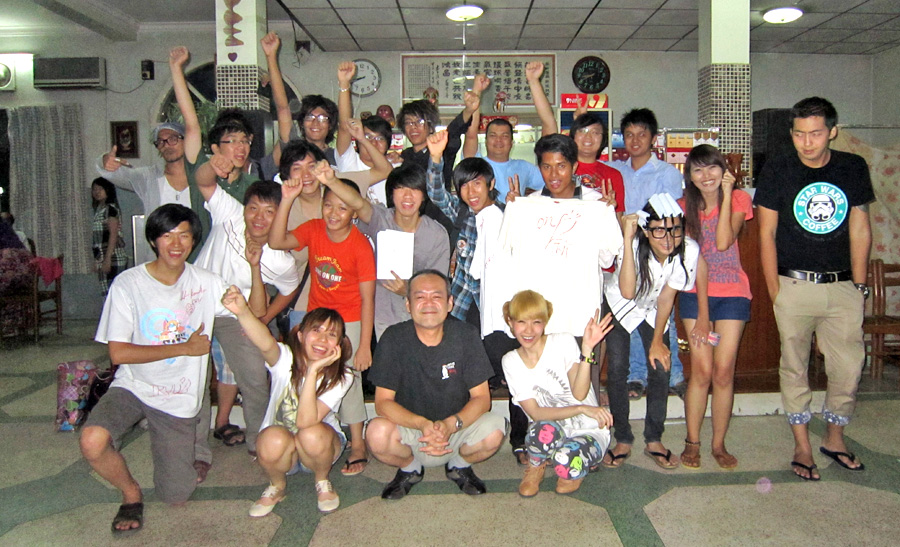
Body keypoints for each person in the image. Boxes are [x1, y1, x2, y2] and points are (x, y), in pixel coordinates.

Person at [80, 204, 229, 536]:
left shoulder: (207, 282)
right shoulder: (128, 284)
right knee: (92, 440)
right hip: (134, 386)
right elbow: (119, 353)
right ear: (152, 240)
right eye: (167, 235)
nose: (176, 244)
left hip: (177, 399)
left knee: (176, 495)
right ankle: (130, 493)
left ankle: (180, 451)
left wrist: (255, 264)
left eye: (184, 235)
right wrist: (184, 348)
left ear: (194, 240)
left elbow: (252, 310)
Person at [754, 96, 873, 481]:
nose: (807, 142)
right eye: (799, 134)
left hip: (843, 286)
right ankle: (802, 445)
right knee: (794, 367)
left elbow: (860, 228)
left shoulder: (852, 167)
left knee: (849, 367)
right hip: (794, 284)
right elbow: (766, 233)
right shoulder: (779, 168)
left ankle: (835, 438)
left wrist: (860, 286)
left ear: (833, 132)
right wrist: (775, 291)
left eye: (816, 134)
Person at [269, 162, 376, 477]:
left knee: (350, 379)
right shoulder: (313, 229)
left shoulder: (360, 245)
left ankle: (358, 443)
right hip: (316, 318)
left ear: (353, 213)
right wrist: (287, 199)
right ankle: (303, 432)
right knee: (307, 375)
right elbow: (276, 242)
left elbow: (368, 298)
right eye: (328, 205)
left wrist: (364, 345)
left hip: (350, 320)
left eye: (342, 208)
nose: (333, 213)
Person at [366, 270, 506, 500]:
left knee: (495, 429)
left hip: (456, 429)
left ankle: (459, 465)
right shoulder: (393, 338)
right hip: (411, 431)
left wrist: (450, 425)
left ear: (450, 303)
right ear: (408, 305)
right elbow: (383, 403)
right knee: (376, 433)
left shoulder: (466, 335)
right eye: (420, 297)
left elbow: (482, 399)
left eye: (437, 296)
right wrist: (422, 425)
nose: (428, 303)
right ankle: (410, 468)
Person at [190, 176, 300, 466]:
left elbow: (289, 290)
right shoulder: (229, 214)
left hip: (236, 316)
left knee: (254, 377)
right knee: (194, 379)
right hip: (194, 308)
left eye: (269, 211)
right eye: (253, 208)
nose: (259, 218)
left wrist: (264, 319)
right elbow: (203, 181)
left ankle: (259, 441)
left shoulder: (281, 260)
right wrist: (215, 163)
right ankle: (195, 452)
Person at [220, 287, 353, 515]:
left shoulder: (342, 375)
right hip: (283, 450)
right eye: (316, 330)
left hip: (320, 449)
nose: (323, 339)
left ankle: (322, 480)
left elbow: (305, 422)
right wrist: (242, 311)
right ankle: (277, 485)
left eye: (332, 334)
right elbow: (264, 342)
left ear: (338, 344)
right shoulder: (285, 360)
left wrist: (313, 371)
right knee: (270, 436)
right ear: (300, 336)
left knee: (310, 433)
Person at [601, 194, 699, 470]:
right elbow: (627, 292)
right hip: (620, 303)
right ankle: (622, 438)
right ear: (646, 230)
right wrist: (627, 237)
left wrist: (658, 341)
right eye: (659, 231)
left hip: (655, 306)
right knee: (618, 368)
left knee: (661, 366)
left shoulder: (688, 250)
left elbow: (667, 297)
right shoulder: (632, 244)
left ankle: (654, 438)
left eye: (675, 230)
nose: (668, 239)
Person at [677, 145, 752, 469]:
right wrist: (703, 315)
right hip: (696, 295)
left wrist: (727, 194)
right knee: (702, 371)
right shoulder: (682, 208)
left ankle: (718, 444)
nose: (706, 175)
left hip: (733, 294)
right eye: (698, 170)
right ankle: (692, 441)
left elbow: (723, 243)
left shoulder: (739, 199)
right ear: (690, 177)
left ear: (723, 171)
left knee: (723, 372)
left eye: (712, 168)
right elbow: (698, 261)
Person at [606, 108, 687, 401]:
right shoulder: (617, 170)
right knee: (632, 313)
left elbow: (668, 216)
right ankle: (637, 375)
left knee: (662, 312)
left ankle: (673, 374)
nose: (635, 140)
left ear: (653, 138)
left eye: (642, 134)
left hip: (658, 250)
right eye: (629, 135)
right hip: (628, 252)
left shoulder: (667, 173)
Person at [501, 290, 614, 496]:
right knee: (538, 432)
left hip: (588, 428)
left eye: (536, 322)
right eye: (521, 322)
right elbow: (536, 413)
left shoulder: (562, 342)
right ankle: (536, 466)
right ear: (510, 322)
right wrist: (581, 409)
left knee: (565, 462)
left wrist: (587, 350)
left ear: (545, 322)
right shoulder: (510, 361)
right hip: (550, 429)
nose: (529, 330)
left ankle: (572, 466)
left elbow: (579, 393)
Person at [320, 163, 450, 339]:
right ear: (391, 193)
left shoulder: (436, 234)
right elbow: (358, 203)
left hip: (422, 319)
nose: (407, 195)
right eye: (401, 188)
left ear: (424, 195)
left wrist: (409, 290)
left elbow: (438, 284)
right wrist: (331, 181)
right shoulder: (380, 219)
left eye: (415, 189)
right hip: (381, 319)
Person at [97, 122, 191, 217]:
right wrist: (104, 161)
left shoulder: (199, 176)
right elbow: (120, 176)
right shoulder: (149, 177)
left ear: (187, 140)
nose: (166, 146)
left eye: (173, 139)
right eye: (160, 142)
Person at [91, 177, 129, 296]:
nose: (97, 192)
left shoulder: (110, 209)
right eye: (94, 189)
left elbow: (113, 235)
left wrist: (107, 260)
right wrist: (97, 261)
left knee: (113, 295)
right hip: (103, 258)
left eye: (100, 189)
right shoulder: (99, 210)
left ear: (108, 190)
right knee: (106, 295)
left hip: (113, 258)